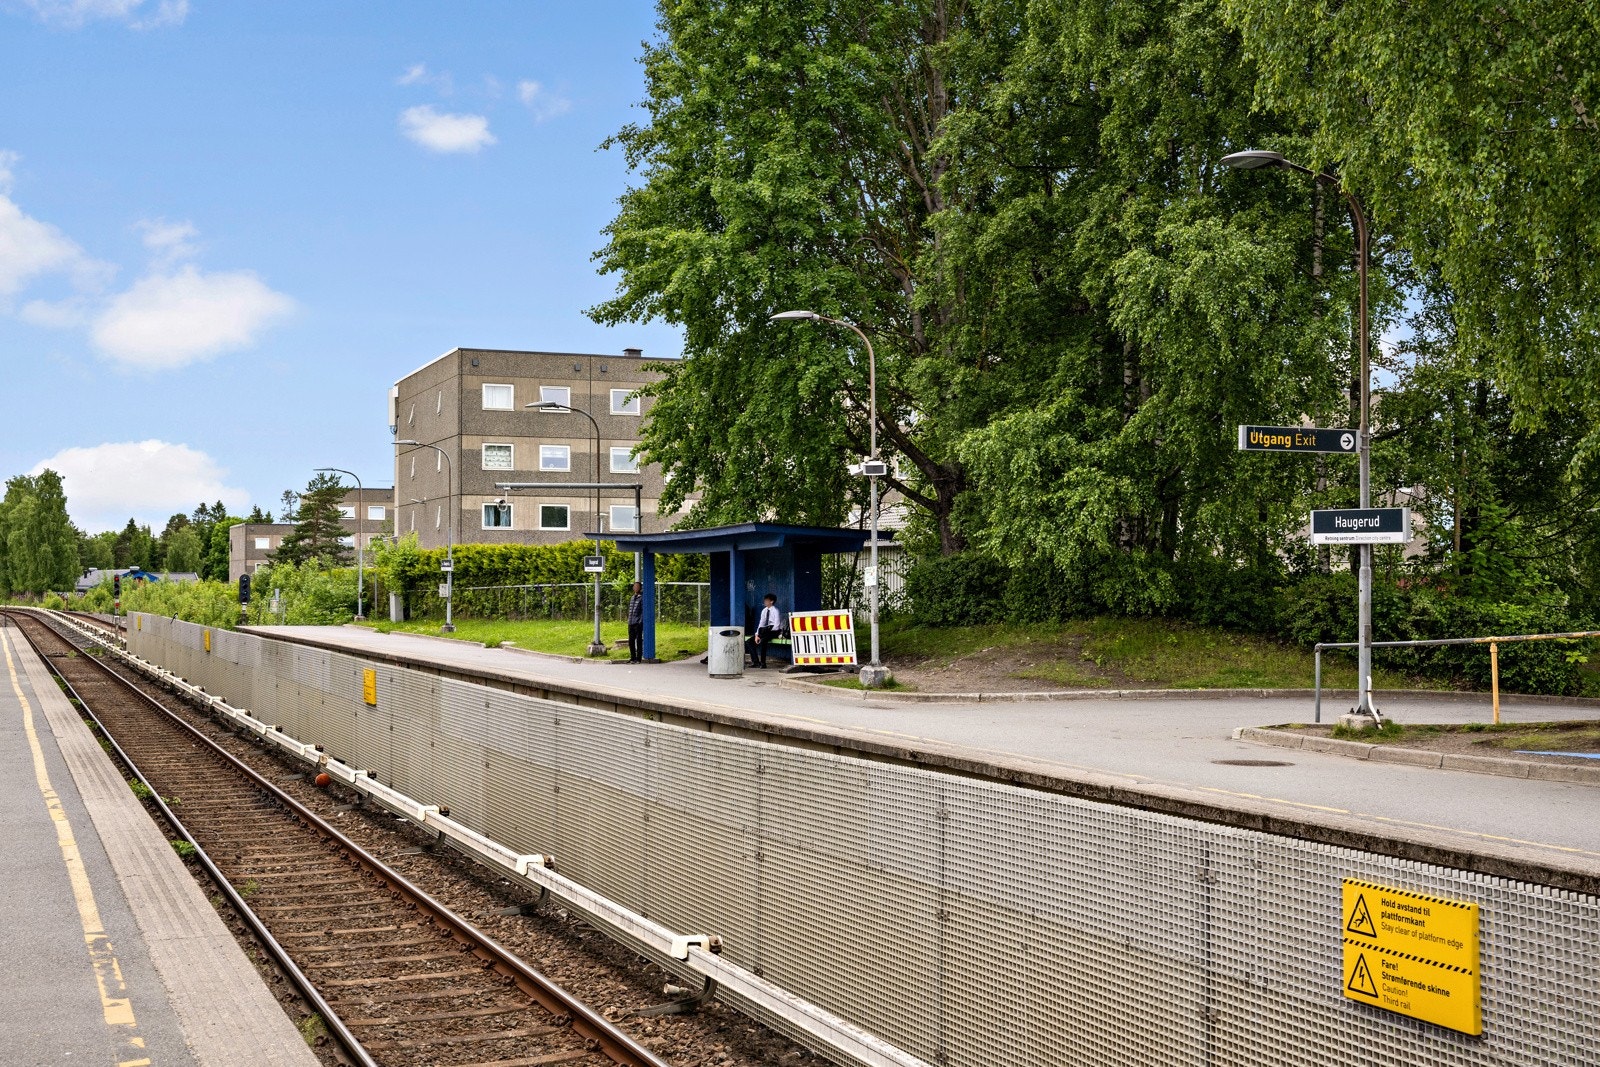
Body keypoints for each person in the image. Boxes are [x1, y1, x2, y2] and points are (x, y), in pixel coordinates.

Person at [753, 593, 782, 669]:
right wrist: (757, 634)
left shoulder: (776, 611)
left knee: (763, 641)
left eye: (766, 600)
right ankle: (756, 662)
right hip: (764, 630)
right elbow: (761, 624)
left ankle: (763, 663)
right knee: (749, 641)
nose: (765, 602)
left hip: (773, 630)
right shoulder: (764, 611)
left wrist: (765, 633)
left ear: (771, 601)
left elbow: (777, 625)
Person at [626, 581, 645, 663]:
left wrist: (640, 621)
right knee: (631, 641)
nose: (635, 588)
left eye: (637, 586)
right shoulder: (632, 597)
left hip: (637, 623)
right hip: (631, 622)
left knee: (639, 640)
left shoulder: (642, 598)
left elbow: (643, 610)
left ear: (640, 588)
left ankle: (638, 658)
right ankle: (632, 657)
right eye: (634, 586)